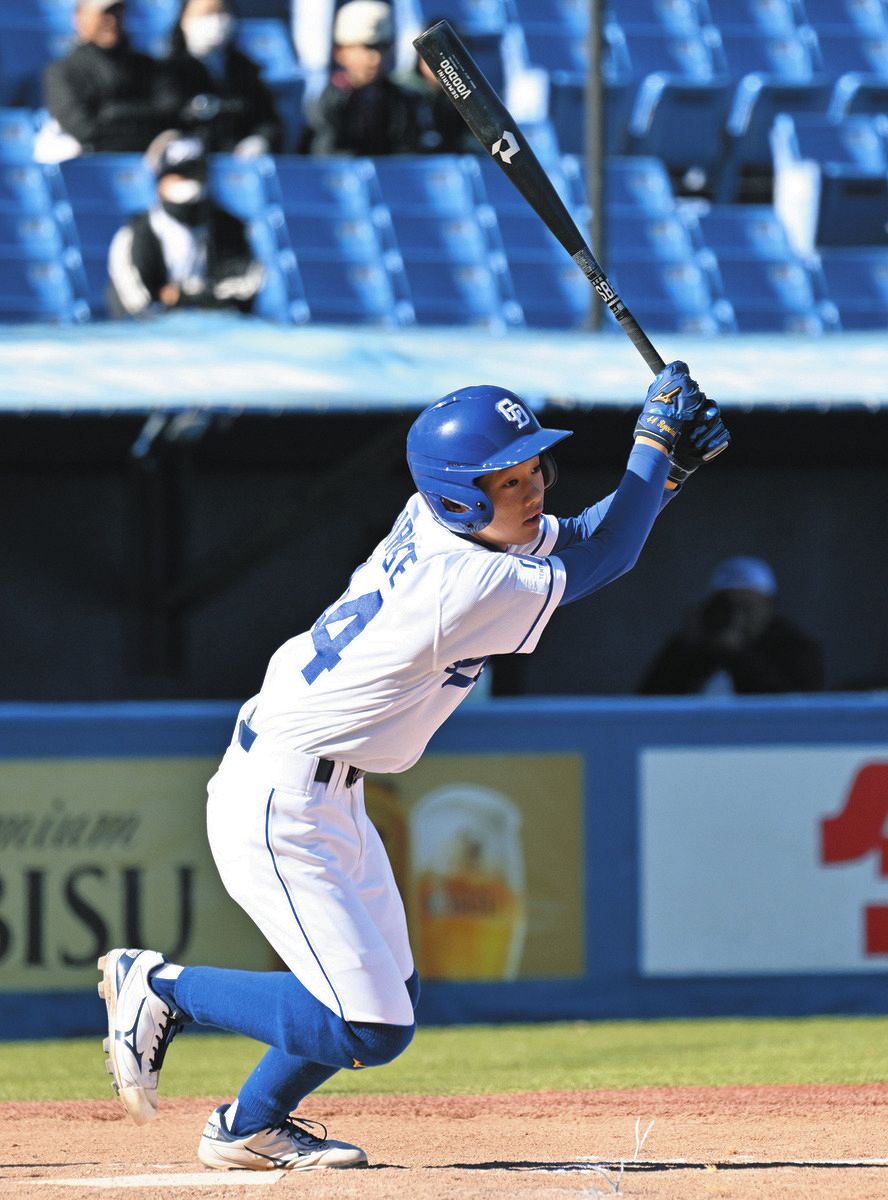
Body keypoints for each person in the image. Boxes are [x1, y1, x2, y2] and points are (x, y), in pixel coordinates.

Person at [96, 362, 729, 1171]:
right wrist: (651, 443)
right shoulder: (461, 580)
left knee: (391, 995)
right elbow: (605, 560)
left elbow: (580, 540)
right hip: (278, 800)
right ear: (462, 495)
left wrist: (667, 470)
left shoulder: (448, 526)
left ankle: (247, 1128)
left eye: (536, 468)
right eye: (510, 478)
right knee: (371, 1025)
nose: (533, 488)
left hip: (326, 791)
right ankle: (161, 987)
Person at [107, 130, 264, 317]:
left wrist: (185, 295)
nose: (192, 183)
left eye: (197, 174)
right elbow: (138, 302)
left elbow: (245, 284)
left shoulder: (229, 226)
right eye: (181, 175)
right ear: (161, 181)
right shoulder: (137, 232)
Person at [638, 554, 825, 695]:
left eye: (746, 606)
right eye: (727, 606)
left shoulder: (795, 648)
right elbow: (648, 703)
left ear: (769, 606)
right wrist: (690, 649)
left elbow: (797, 709)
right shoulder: (691, 644)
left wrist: (738, 654)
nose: (735, 615)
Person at [39, 0, 180, 162]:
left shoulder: (148, 66)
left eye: (116, 12)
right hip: (93, 169)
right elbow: (84, 129)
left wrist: (112, 114)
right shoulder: (62, 72)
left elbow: (169, 115)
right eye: (104, 13)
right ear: (79, 18)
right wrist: (140, 120)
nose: (111, 20)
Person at [300, 0, 423, 156]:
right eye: (366, 47)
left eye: (382, 47)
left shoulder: (401, 100)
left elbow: (407, 152)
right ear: (340, 51)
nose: (375, 58)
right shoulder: (328, 101)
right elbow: (327, 156)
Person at [165, 0, 284, 157]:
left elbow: (268, 120)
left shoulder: (244, 69)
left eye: (222, 12)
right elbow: (166, 117)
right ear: (184, 20)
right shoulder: (169, 70)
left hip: (240, 165)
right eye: (207, 13)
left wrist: (260, 140)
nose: (217, 20)